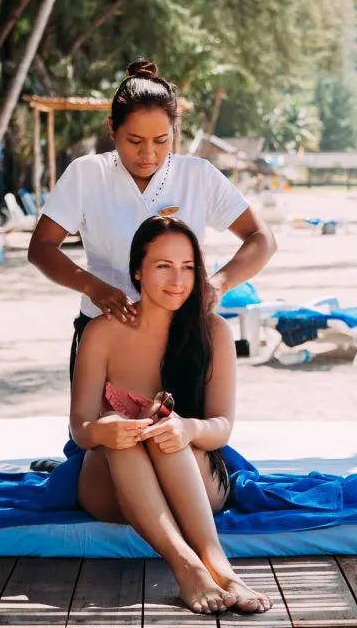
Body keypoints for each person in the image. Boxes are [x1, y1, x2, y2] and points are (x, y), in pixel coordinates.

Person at [28, 57, 277, 383]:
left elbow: (262, 238)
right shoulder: (87, 174)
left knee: (184, 430)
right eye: (134, 141)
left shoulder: (197, 175)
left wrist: (218, 284)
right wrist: (93, 287)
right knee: (103, 431)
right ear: (112, 129)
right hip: (105, 333)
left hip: (183, 334)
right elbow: (41, 248)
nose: (148, 154)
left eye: (161, 141)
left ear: (175, 132)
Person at [70, 215, 271, 614]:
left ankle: (217, 565)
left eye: (188, 267)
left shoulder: (213, 331)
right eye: (163, 265)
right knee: (120, 431)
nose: (177, 279)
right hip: (110, 484)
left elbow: (222, 428)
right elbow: (79, 428)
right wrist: (104, 432)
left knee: (166, 432)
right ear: (137, 271)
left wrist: (186, 428)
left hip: (192, 482)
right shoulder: (101, 332)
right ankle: (186, 567)